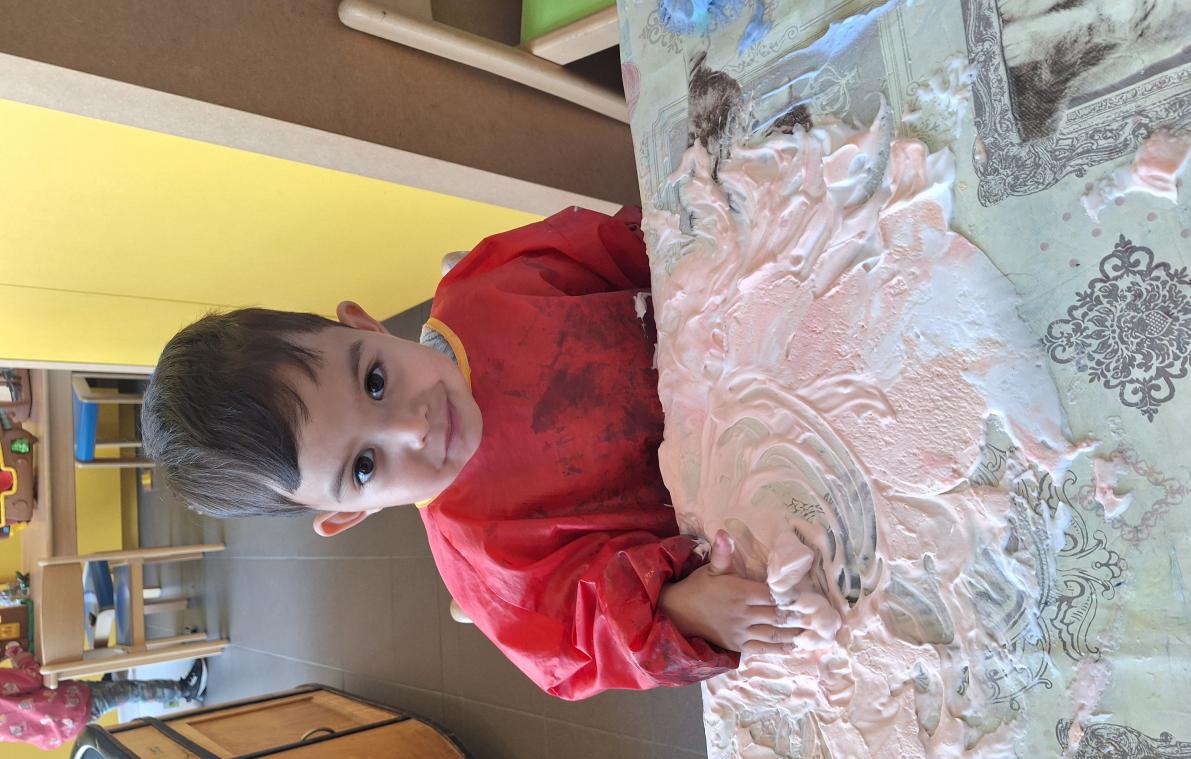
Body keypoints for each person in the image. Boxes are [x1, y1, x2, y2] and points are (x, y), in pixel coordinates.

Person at [141, 206, 805, 700]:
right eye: (364, 466)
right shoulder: (491, 569)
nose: (413, 425)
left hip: (776, 324)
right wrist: (686, 610)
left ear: (366, 325)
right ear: (348, 515)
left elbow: (634, 243)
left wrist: (710, 253)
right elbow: (586, 643)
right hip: (777, 498)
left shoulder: (496, 282)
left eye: (375, 380)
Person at [0, 642, 206, 750]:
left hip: (60, 726)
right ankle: (185, 690)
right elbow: (33, 677)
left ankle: (110, 683)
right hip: (68, 706)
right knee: (131, 691)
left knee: (112, 691)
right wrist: (17, 652)